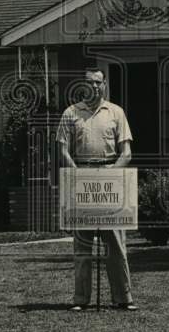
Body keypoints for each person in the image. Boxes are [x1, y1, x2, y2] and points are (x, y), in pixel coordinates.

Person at [56, 68, 137, 311]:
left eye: (98, 83)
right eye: (89, 83)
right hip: (81, 178)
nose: (94, 87)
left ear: (104, 85)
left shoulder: (116, 112)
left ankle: (124, 298)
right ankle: (81, 300)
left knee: (116, 243)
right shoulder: (71, 113)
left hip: (111, 179)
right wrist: (80, 175)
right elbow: (62, 151)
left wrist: (110, 174)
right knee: (82, 243)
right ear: (83, 85)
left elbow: (127, 153)